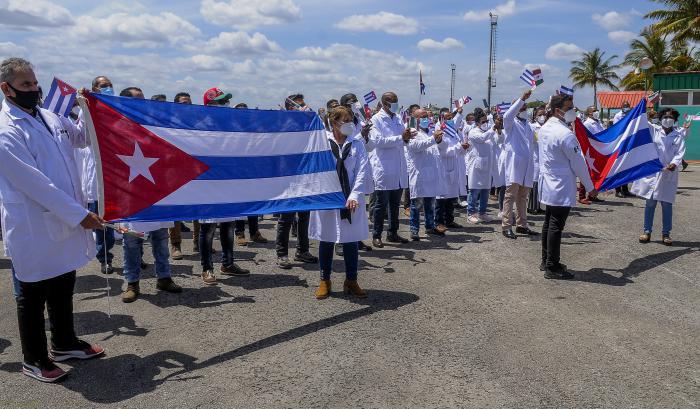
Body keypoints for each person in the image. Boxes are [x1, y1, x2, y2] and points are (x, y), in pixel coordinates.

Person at [0, 58, 105, 382]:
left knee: (62, 284)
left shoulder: (49, 116)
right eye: (26, 85)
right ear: (6, 89)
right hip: (34, 223)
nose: (34, 89)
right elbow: (34, 184)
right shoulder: (6, 129)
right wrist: (79, 215)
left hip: (63, 218)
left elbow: (82, 139)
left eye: (35, 82)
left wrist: (87, 110)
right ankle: (34, 358)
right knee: (32, 293)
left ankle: (64, 342)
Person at [118, 88, 182, 302]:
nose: (143, 102)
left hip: (156, 191)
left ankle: (164, 277)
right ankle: (132, 282)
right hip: (130, 195)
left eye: (143, 98)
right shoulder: (116, 126)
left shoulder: (154, 124)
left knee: (160, 239)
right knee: (131, 242)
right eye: (137, 99)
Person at [309, 106, 370, 299]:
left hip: (350, 198)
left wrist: (354, 195)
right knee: (326, 238)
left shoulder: (357, 144)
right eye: (345, 121)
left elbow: (362, 171)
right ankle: (324, 280)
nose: (350, 124)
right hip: (327, 197)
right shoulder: (322, 142)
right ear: (334, 122)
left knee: (351, 239)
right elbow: (315, 169)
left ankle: (351, 280)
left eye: (351, 120)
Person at [538, 94, 598, 279]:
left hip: (549, 182)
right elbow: (578, 163)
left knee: (549, 223)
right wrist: (590, 187)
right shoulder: (565, 134)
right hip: (560, 184)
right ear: (558, 110)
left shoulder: (545, 127)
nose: (573, 111)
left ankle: (546, 260)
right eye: (569, 108)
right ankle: (552, 266)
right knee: (556, 225)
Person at [198, 88, 251, 283]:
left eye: (226, 101)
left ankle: (228, 263)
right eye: (221, 102)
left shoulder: (232, 125)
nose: (226, 105)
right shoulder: (199, 127)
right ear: (210, 105)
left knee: (229, 225)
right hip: (209, 183)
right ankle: (207, 268)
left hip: (229, 182)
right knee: (208, 228)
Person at [74, 75, 116, 273]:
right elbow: (82, 136)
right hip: (98, 177)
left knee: (123, 220)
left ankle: (135, 257)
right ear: (95, 89)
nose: (108, 88)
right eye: (103, 86)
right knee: (102, 224)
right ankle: (104, 257)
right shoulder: (89, 111)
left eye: (110, 85)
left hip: (119, 175)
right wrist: (86, 105)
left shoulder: (117, 109)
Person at [631, 108, 687, 246]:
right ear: (660, 119)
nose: (667, 119)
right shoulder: (654, 130)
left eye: (670, 117)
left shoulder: (678, 135)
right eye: (665, 117)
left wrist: (674, 163)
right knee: (650, 203)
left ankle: (666, 233)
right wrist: (644, 107)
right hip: (653, 172)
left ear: (675, 120)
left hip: (668, 172)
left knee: (667, 204)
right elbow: (642, 120)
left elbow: (680, 153)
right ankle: (647, 231)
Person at [275, 94, 318, 268]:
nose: (303, 107)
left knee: (304, 216)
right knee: (286, 217)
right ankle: (282, 254)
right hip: (288, 176)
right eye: (299, 105)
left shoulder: (307, 123)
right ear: (290, 107)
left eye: (304, 104)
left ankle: (302, 250)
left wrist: (310, 116)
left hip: (305, 174)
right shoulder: (283, 124)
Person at [369, 91, 414, 247]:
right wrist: (401, 138)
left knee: (395, 205)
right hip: (385, 167)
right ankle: (376, 235)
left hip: (399, 167)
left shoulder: (398, 118)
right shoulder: (376, 119)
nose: (395, 104)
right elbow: (378, 141)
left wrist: (407, 137)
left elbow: (403, 139)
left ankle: (393, 233)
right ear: (384, 103)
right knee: (381, 205)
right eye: (392, 102)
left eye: (396, 101)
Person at [230, 102, 269, 247]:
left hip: (253, 172)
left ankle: (254, 232)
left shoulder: (254, 130)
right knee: (240, 203)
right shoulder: (231, 130)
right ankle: (239, 233)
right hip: (237, 173)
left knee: (254, 203)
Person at [339, 93, 374, 252]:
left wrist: (365, 136)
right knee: (343, 209)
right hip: (345, 171)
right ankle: (340, 243)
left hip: (359, 168)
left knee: (358, 209)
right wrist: (361, 135)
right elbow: (346, 145)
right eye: (351, 102)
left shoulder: (361, 121)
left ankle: (356, 239)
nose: (354, 104)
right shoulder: (341, 124)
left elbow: (370, 147)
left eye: (355, 101)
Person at [501, 90, 537, 239]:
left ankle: (522, 225)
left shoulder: (529, 125)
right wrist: (521, 98)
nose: (524, 109)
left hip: (527, 164)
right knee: (510, 196)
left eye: (525, 107)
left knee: (523, 197)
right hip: (515, 165)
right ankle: (506, 226)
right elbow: (507, 115)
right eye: (521, 107)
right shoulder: (510, 123)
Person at [167, 92, 199, 259]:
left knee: (198, 207)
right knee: (175, 209)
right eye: (183, 103)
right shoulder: (168, 123)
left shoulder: (197, 123)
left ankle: (198, 241)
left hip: (195, 169)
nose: (187, 106)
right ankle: (175, 244)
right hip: (175, 171)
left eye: (189, 103)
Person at [405, 106, 444, 240]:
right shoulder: (412, 132)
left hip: (431, 173)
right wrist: (433, 139)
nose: (425, 119)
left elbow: (435, 148)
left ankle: (430, 226)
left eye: (426, 116)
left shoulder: (430, 131)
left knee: (430, 204)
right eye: (422, 117)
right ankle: (414, 230)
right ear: (415, 118)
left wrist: (438, 140)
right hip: (419, 173)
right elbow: (416, 146)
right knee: (416, 204)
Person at [435, 108, 468, 232]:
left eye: (451, 118)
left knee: (451, 197)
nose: (450, 120)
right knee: (441, 198)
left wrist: (463, 148)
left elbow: (458, 151)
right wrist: (459, 147)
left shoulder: (453, 133)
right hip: (443, 168)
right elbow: (443, 152)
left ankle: (449, 220)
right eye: (448, 118)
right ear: (442, 119)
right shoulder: (440, 133)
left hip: (454, 167)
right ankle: (439, 222)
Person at [466, 110, 502, 223]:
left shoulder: (489, 131)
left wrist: (499, 130)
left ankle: (482, 213)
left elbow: (499, 141)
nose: (486, 123)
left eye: (487, 121)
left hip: (488, 165)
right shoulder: (473, 132)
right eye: (483, 121)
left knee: (485, 191)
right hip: (476, 166)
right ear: (477, 122)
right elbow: (482, 138)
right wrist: (493, 128)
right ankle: (471, 213)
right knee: (474, 191)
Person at [579, 106, 606, 204]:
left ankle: (592, 195)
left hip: (598, 151)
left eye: (597, 110)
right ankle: (581, 196)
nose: (597, 112)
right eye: (594, 111)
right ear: (589, 113)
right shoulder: (587, 124)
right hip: (589, 151)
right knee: (586, 173)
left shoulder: (599, 122)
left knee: (595, 174)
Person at [527, 105, 546, 214]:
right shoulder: (532, 127)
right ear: (535, 116)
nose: (542, 116)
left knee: (542, 184)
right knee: (534, 183)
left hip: (544, 159)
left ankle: (539, 206)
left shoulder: (547, 127)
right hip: (535, 159)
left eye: (544, 114)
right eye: (540, 115)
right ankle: (532, 207)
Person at [613, 101, 632, 198]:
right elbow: (617, 128)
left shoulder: (631, 114)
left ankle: (625, 189)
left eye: (627, 106)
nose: (626, 107)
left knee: (626, 167)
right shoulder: (618, 116)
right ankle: (618, 190)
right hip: (620, 143)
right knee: (619, 167)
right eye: (624, 106)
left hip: (628, 142)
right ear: (621, 107)